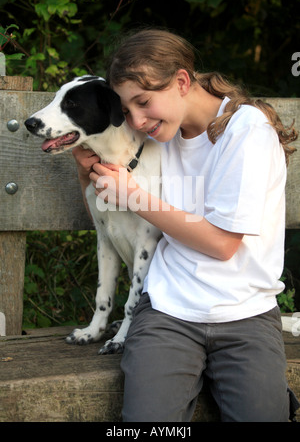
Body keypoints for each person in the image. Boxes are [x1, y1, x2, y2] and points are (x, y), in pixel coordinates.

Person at [73, 29, 299, 422]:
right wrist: (87, 173)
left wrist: (134, 196)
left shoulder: (245, 132)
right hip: (166, 310)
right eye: (126, 111)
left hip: (244, 316)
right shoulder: (156, 135)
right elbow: (108, 221)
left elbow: (222, 244)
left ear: (180, 81)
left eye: (143, 102)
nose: (138, 121)